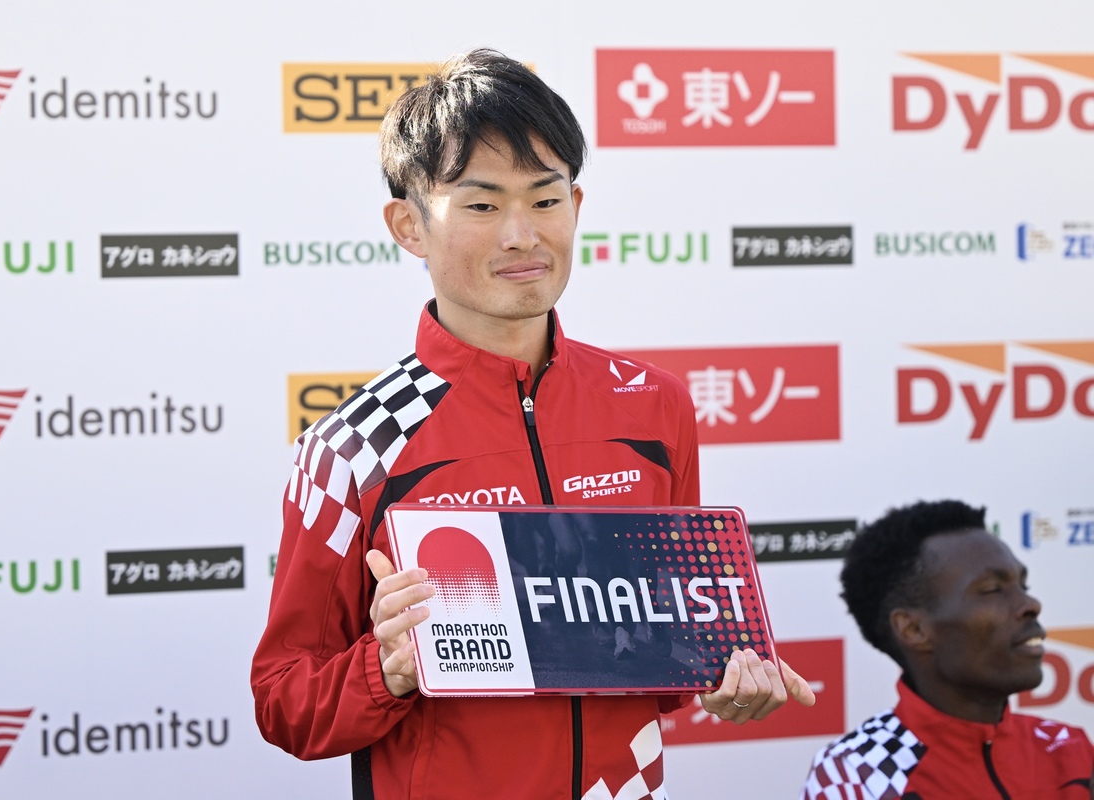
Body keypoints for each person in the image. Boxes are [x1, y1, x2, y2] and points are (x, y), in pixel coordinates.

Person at [252, 48, 814, 800]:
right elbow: (284, 703)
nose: (522, 235)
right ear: (408, 225)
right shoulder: (353, 447)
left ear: (575, 206)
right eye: (482, 206)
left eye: (545, 200)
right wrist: (386, 669)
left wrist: (724, 673)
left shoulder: (654, 405)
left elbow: (664, 658)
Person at [802, 499, 1094, 799]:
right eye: (992, 590)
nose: (1031, 604)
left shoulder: (1070, 750)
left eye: (1023, 586)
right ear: (913, 630)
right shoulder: (858, 775)